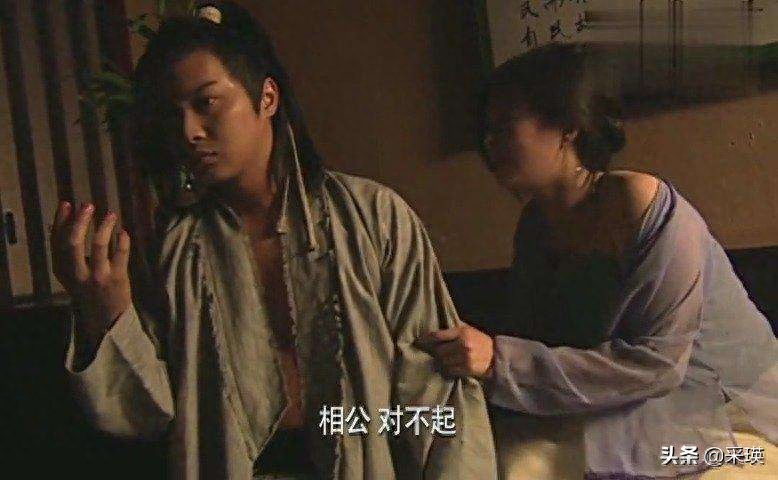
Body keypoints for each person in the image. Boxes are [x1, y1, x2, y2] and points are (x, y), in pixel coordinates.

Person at [51, 2, 497, 479]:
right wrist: (108, 311)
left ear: (266, 98)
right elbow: (145, 416)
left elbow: (437, 404)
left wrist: (363, 430)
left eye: (207, 103)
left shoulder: (373, 218)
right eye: (173, 113)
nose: (189, 132)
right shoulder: (179, 248)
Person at [423, 43, 777, 479]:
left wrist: (499, 360)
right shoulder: (536, 225)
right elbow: (539, 338)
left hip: (724, 404)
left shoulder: (639, 201)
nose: (488, 144)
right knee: (496, 453)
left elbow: (660, 364)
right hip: (622, 401)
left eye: (502, 127)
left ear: (567, 128)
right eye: (486, 131)